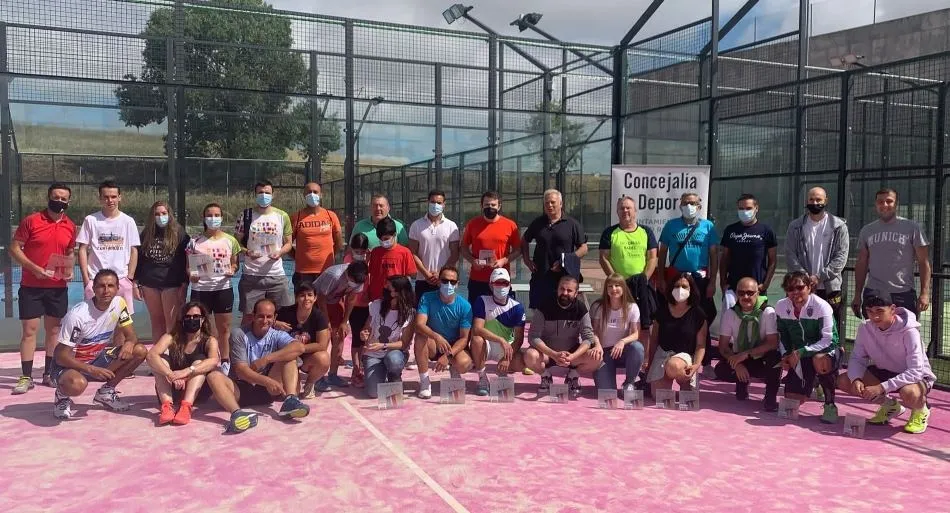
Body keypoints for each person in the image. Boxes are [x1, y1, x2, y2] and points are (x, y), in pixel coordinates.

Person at [49, 269, 147, 420]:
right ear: (93, 289)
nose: (106, 291)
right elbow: (61, 356)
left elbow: (131, 335)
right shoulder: (78, 315)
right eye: (101, 286)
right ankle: (62, 396)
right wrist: (91, 369)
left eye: (111, 286)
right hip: (68, 365)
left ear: (117, 288)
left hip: (97, 357)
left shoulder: (119, 303)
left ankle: (106, 392)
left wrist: (129, 342)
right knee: (77, 384)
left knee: (139, 350)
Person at [205, 299, 310, 433]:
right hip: (240, 390)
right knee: (213, 376)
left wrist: (266, 359)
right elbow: (241, 371)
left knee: (290, 357)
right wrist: (266, 381)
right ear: (253, 316)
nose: (264, 320)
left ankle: (290, 400)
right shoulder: (239, 334)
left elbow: (299, 348)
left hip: (268, 390)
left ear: (275, 318)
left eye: (269, 317)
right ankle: (237, 414)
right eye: (260, 316)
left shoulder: (276, 334)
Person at [10, 183, 77, 394]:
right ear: (49, 197)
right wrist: (34, 268)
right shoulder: (31, 221)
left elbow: (69, 252)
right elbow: (14, 249)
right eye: (56, 197)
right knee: (29, 331)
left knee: (54, 331)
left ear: (68, 202)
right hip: (31, 286)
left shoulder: (70, 225)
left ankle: (49, 373)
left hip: (57, 287)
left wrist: (70, 269)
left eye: (63, 198)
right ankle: (26, 377)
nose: (59, 201)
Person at [837, 294, 936, 434]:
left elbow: (915, 371)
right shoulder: (864, 328)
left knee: (909, 393)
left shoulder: (910, 331)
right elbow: (857, 358)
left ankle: (921, 409)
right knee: (845, 381)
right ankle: (890, 406)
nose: (874, 316)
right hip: (884, 370)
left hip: (916, 377)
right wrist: (856, 379)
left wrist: (881, 387)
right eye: (870, 311)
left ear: (893, 309)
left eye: (879, 311)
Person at [658, 192, 719, 375]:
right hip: (677, 279)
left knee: (702, 318)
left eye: (692, 203)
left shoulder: (708, 227)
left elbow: (714, 256)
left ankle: (705, 362)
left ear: (699, 206)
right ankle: (668, 354)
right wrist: (661, 278)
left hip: (699, 280)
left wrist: (712, 282)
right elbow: (662, 254)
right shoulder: (671, 226)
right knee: (672, 315)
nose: (689, 206)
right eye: (685, 203)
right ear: (680, 206)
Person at [76, 181, 141, 342]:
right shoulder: (91, 220)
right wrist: (86, 279)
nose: (110, 200)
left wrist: (129, 278)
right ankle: (93, 362)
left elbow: (134, 250)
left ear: (120, 198)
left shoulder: (128, 221)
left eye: (113, 196)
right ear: (100, 198)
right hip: (95, 281)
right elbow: (82, 249)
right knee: (92, 324)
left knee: (122, 326)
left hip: (121, 280)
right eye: (106, 197)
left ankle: (117, 364)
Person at [851, 188, 931, 318]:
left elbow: (924, 262)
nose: (884, 205)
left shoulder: (913, 228)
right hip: (873, 292)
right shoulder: (866, 230)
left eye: (889, 201)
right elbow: (862, 263)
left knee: (905, 335)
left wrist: (925, 293)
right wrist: (857, 294)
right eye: (880, 202)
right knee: (874, 335)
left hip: (903, 293)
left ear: (896, 204)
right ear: (876, 204)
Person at [775, 271, 841, 424]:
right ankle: (814, 382)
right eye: (790, 289)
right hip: (801, 354)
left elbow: (828, 340)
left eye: (800, 287)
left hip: (825, 351)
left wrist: (802, 351)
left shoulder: (822, 306)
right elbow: (782, 336)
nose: (795, 292)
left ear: (809, 287)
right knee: (793, 400)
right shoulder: (781, 306)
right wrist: (785, 355)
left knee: (820, 361)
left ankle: (830, 405)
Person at [524, 275, 601, 399]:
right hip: (548, 354)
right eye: (562, 289)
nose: (564, 293)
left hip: (571, 354)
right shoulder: (544, 306)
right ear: (557, 289)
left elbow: (588, 338)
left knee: (596, 358)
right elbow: (533, 337)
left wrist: (572, 356)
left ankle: (573, 375)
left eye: (569, 290)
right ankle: (546, 376)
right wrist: (554, 354)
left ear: (576, 293)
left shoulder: (581, 309)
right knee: (529, 355)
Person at [785, 187, 849, 332]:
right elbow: (790, 254)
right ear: (806, 201)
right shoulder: (795, 226)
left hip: (829, 289)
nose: (815, 202)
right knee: (801, 327)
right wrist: (804, 278)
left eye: (819, 199)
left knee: (830, 329)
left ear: (825, 201)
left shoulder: (839, 226)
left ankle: (831, 354)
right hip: (801, 287)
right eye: (811, 199)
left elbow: (841, 257)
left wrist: (819, 277)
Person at [145, 302, 220, 425]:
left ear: (203, 320)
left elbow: (214, 361)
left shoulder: (209, 340)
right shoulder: (172, 337)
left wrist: (186, 372)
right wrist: (170, 374)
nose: (192, 319)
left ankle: (186, 407)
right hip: (172, 387)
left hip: (197, 391)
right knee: (161, 359)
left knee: (200, 360)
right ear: (182, 319)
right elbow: (151, 355)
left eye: (196, 317)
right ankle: (167, 407)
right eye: (188, 317)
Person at [188, 203, 241, 373]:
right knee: (201, 327)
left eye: (217, 215)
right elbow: (189, 267)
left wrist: (232, 270)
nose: (213, 218)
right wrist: (192, 274)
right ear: (204, 218)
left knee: (224, 328)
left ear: (222, 218)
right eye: (209, 215)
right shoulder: (194, 241)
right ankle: (203, 358)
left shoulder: (230, 240)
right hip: (201, 290)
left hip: (222, 289)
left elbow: (235, 264)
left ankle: (225, 360)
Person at [714, 277, 781, 411]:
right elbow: (723, 346)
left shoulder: (768, 312)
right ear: (736, 294)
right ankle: (742, 383)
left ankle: (770, 397)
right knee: (721, 370)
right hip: (740, 357)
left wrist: (746, 354)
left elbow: (773, 343)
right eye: (741, 293)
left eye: (750, 293)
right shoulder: (730, 313)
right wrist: (737, 364)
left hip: (761, 357)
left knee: (775, 358)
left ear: (758, 293)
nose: (745, 296)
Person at [234, 180, 294, 324]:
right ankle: (247, 346)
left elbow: (289, 243)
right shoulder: (246, 215)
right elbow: (236, 243)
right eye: (260, 192)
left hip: (276, 276)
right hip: (251, 276)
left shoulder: (282, 216)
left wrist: (280, 253)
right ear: (255, 194)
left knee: (280, 318)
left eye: (267, 192)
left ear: (273, 195)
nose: (264, 195)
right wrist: (247, 252)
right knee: (249, 318)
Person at [521, 189, 588, 309]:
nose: (549, 205)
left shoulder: (572, 224)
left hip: (565, 279)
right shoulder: (538, 223)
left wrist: (565, 261)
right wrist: (527, 260)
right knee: (540, 314)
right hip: (541, 278)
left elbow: (583, 248)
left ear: (561, 204)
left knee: (564, 312)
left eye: (553, 202)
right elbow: (524, 240)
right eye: (546, 203)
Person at [414, 266, 474, 399]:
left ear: (457, 284)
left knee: (465, 364)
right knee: (420, 337)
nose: (448, 284)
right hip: (434, 343)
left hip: (454, 346)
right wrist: (436, 336)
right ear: (439, 282)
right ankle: (424, 382)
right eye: (445, 280)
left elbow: (464, 339)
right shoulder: (427, 297)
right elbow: (419, 324)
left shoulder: (465, 306)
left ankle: (454, 367)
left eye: (453, 282)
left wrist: (448, 355)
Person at [136, 201, 190, 345]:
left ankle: (174, 358)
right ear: (152, 216)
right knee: (156, 321)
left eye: (164, 213)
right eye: (157, 214)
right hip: (149, 283)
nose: (160, 217)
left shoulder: (179, 232)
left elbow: (186, 260)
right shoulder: (147, 233)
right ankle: (158, 359)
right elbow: (139, 259)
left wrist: (184, 285)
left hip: (171, 284)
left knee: (172, 324)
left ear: (169, 215)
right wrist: (136, 282)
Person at [646, 273, 708, 395]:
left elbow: (701, 345)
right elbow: (654, 340)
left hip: (684, 358)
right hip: (662, 355)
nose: (680, 289)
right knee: (660, 397)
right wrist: (650, 363)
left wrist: (696, 365)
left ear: (691, 289)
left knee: (674, 365)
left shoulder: (698, 314)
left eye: (684, 286)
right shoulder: (662, 310)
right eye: (677, 286)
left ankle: (685, 383)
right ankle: (667, 381)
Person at [313, 259, 369, 391]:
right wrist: (326, 321)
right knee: (323, 339)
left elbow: (351, 298)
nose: (354, 284)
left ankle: (333, 374)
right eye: (352, 281)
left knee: (339, 337)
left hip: (336, 303)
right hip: (318, 303)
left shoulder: (360, 278)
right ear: (347, 273)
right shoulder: (334, 275)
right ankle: (317, 377)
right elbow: (320, 298)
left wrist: (345, 321)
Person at [470, 268, 527, 396]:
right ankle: (482, 378)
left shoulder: (517, 307)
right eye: (497, 283)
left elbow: (518, 339)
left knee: (523, 363)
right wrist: (500, 340)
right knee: (476, 340)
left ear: (510, 285)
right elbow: (477, 329)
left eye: (504, 283)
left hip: (506, 348)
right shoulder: (482, 300)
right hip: (487, 345)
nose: (501, 286)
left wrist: (506, 358)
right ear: (490, 285)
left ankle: (503, 374)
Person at [460, 191, 522, 304]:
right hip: (477, 279)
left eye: (493, 205)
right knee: (477, 315)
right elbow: (463, 248)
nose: (490, 207)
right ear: (481, 206)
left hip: (500, 279)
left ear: (499, 206)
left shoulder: (510, 225)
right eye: (487, 205)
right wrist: (473, 261)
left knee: (501, 315)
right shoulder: (473, 224)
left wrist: (504, 260)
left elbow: (518, 250)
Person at [719, 193, 777, 309]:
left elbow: (772, 261)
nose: (744, 211)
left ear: (756, 208)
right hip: (733, 288)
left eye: (748, 208)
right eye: (741, 208)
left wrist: (765, 284)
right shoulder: (730, 230)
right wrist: (723, 283)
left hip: (757, 288)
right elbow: (724, 258)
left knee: (757, 322)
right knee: (731, 322)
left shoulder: (766, 231)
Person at [590, 274, 644, 396]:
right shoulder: (598, 306)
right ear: (606, 289)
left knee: (637, 347)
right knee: (607, 393)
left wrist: (622, 342)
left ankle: (629, 383)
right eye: (610, 286)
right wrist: (597, 345)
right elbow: (594, 331)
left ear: (624, 288)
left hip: (623, 351)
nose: (614, 289)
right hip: (604, 353)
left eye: (617, 285)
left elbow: (636, 333)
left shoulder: (632, 307)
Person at [362, 276, 416, 398]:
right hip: (373, 354)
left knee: (394, 360)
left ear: (398, 292)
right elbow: (367, 328)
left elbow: (404, 344)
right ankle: (381, 372)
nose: (385, 289)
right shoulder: (376, 305)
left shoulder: (410, 313)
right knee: (373, 393)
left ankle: (394, 375)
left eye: (389, 287)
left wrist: (383, 345)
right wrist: (364, 334)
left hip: (394, 353)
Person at [274, 284, 331, 398]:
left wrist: (298, 348)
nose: (306, 299)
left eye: (310, 295)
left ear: (315, 298)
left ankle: (310, 383)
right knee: (291, 393)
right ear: (296, 298)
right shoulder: (285, 312)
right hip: (288, 358)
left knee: (324, 358)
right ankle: (293, 379)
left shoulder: (319, 317)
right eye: (302, 295)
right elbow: (265, 323)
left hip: (307, 358)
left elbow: (322, 345)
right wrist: (275, 323)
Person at [408, 190, 460, 302]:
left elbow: (455, 253)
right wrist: (426, 274)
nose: (435, 205)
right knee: (421, 315)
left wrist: (441, 274)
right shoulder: (416, 225)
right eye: (433, 202)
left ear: (444, 204)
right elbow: (412, 252)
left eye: (439, 202)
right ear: (428, 202)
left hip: (445, 281)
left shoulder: (452, 226)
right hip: (422, 279)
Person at [290, 182, 344, 289]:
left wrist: (329, 257)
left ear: (321, 195)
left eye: (315, 192)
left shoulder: (330, 216)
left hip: (326, 270)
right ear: (304, 195)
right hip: (303, 272)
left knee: (325, 304)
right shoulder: (296, 217)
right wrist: (298, 257)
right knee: (304, 303)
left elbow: (339, 243)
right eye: (309, 192)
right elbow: (287, 243)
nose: (312, 194)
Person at [341, 233, 371, 386]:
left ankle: (366, 368)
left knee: (367, 338)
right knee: (356, 339)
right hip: (354, 306)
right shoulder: (348, 260)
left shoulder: (370, 259)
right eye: (357, 251)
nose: (360, 254)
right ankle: (356, 368)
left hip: (369, 306)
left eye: (362, 251)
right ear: (352, 249)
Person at [367, 217, 417, 303]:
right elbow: (371, 274)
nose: (383, 241)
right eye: (381, 239)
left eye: (386, 239)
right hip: (377, 298)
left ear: (394, 235)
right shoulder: (375, 252)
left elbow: (411, 275)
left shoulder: (404, 252)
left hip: (397, 299)